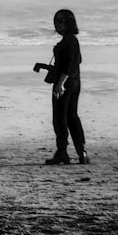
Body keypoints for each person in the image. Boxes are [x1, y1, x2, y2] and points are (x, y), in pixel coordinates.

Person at [43, 9, 89, 165]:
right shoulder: (71, 41)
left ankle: (62, 152)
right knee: (72, 117)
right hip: (75, 82)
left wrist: (60, 83)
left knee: (60, 119)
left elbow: (70, 64)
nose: (57, 26)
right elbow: (72, 63)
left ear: (68, 23)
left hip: (66, 83)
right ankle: (81, 152)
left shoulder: (69, 41)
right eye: (56, 22)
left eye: (61, 22)